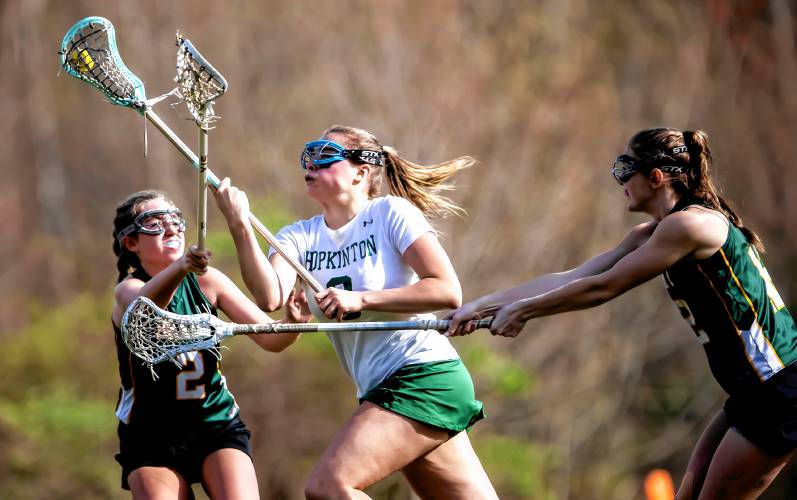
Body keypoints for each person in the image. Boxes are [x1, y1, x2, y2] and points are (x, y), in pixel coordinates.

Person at [446, 127, 797, 499]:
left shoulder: (691, 226)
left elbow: (605, 287)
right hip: (751, 393)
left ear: (656, 177)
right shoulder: (654, 233)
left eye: (626, 169)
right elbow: (576, 277)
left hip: (777, 392)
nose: (621, 182)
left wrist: (524, 312)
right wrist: (481, 305)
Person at [214, 125, 498, 499]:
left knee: (328, 486)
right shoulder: (299, 236)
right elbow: (270, 296)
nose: (311, 164)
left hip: (421, 374)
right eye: (309, 156)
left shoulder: (390, 214)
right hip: (380, 388)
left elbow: (446, 290)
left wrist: (361, 299)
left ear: (362, 172)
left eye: (325, 155)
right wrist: (239, 226)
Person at [111, 189, 309, 499]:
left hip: (215, 423)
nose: (171, 228)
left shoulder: (208, 282)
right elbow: (144, 310)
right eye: (154, 222)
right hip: (150, 436)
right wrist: (181, 267)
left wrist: (294, 323)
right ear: (131, 242)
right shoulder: (128, 290)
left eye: (175, 220)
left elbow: (270, 339)